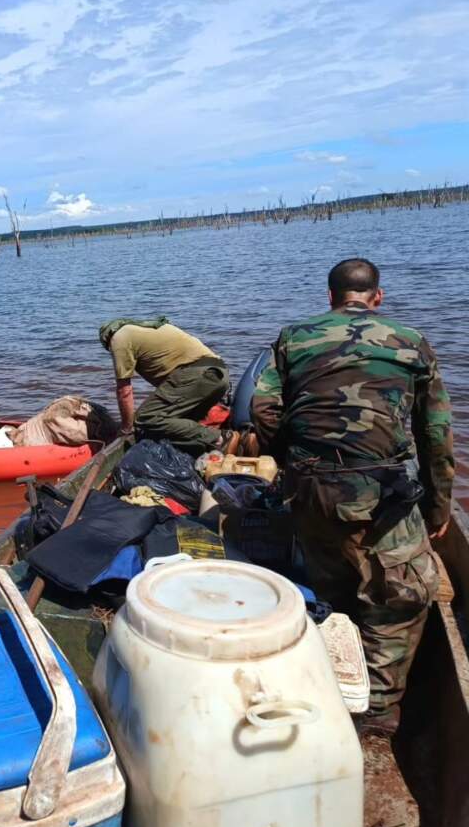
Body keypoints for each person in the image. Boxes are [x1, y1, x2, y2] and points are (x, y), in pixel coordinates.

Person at [252, 258, 454, 734]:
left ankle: (335, 669)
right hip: (378, 492)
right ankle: (378, 711)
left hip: (310, 489)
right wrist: (438, 507)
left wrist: (295, 462)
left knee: (332, 583)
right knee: (402, 596)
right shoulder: (412, 341)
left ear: (331, 297)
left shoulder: (293, 336)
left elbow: (263, 408)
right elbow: (437, 435)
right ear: (376, 298)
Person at [99, 317, 229, 456]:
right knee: (173, 424)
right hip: (219, 376)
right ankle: (205, 450)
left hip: (198, 375)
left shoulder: (118, 339)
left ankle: (220, 438)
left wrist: (125, 428)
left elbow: (124, 391)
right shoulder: (147, 328)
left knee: (146, 418)